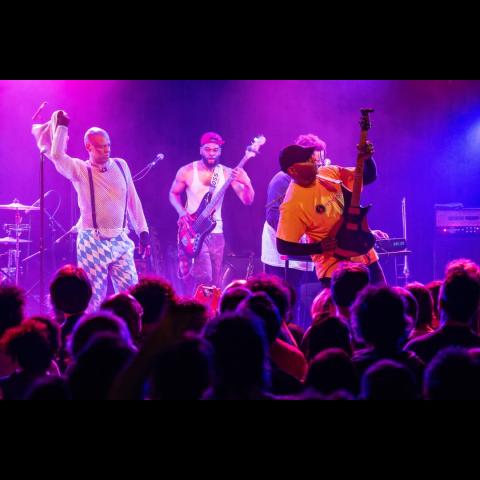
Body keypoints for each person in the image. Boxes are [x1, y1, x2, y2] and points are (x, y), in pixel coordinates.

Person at [40, 110, 150, 310]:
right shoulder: (80, 169)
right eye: (100, 147)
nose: (106, 150)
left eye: (108, 145)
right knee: (93, 299)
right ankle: (93, 328)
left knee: (131, 297)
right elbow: (57, 155)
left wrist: (143, 230)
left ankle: (131, 328)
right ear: (88, 147)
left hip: (121, 239)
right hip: (92, 240)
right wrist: (62, 127)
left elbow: (133, 199)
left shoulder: (121, 165)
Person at [276, 139, 386, 287]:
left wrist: (367, 159)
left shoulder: (327, 172)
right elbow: (283, 246)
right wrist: (319, 247)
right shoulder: (293, 204)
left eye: (310, 157)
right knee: (346, 303)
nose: (314, 161)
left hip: (365, 255)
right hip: (335, 270)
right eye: (307, 160)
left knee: (383, 300)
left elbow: (368, 176)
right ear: (292, 171)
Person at [169, 132, 255, 293]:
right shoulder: (187, 171)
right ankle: (194, 303)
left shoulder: (227, 173)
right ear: (201, 150)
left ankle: (206, 306)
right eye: (208, 149)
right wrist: (181, 212)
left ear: (220, 151)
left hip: (216, 232)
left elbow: (247, 200)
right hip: (193, 230)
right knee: (204, 276)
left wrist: (247, 183)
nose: (211, 153)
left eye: (215, 150)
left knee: (215, 283)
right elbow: (173, 193)